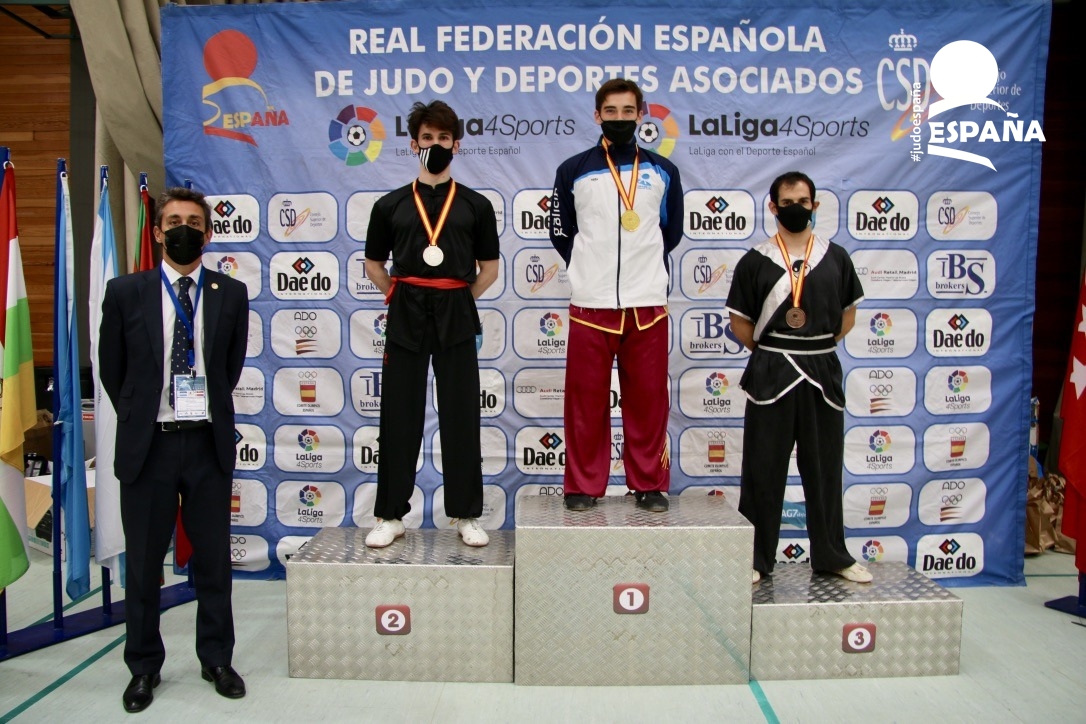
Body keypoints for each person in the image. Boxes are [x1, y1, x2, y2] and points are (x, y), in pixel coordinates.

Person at [99, 187, 249, 712]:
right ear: (158, 231)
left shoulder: (231, 292)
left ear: (208, 233)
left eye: (194, 221)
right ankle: (143, 668)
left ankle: (217, 659)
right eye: (174, 220)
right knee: (144, 566)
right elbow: (113, 371)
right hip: (150, 448)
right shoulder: (125, 291)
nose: (184, 228)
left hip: (207, 443)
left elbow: (229, 368)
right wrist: (145, 414)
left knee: (214, 563)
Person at [363, 100, 500, 548]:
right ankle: (390, 514)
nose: (435, 145)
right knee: (398, 412)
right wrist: (396, 295)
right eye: (427, 138)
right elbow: (373, 264)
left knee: (461, 412)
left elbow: (489, 269)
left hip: (456, 306)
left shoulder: (477, 205)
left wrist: (458, 299)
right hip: (406, 306)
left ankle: (466, 514)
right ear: (413, 145)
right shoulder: (390, 204)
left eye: (444, 138)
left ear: (456, 145)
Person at [725, 171, 872, 585]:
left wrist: (812, 346)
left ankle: (831, 556)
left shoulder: (836, 257)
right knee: (762, 470)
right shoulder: (755, 260)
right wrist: (779, 351)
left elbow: (847, 317)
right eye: (787, 202)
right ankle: (756, 558)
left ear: (815, 205)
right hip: (771, 373)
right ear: (773, 207)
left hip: (822, 373)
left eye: (803, 202)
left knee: (824, 470)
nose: (795, 208)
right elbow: (740, 324)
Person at [549, 78, 683, 513]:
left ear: (641, 115)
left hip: (647, 305)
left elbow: (671, 232)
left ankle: (649, 484)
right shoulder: (573, 169)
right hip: (591, 304)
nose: (620, 119)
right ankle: (583, 485)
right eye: (611, 111)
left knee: (648, 401)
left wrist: (643, 269)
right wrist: (587, 267)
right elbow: (561, 231)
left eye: (628, 111)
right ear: (597, 116)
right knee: (585, 402)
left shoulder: (663, 170)